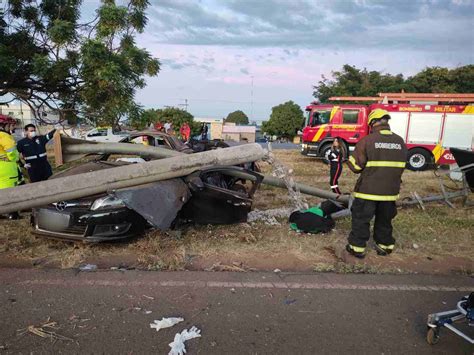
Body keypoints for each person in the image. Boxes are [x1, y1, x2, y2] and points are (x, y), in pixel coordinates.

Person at [345, 109, 407, 259]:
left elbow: (356, 167)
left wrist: (347, 158)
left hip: (368, 191)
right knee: (385, 220)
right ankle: (385, 246)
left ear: (372, 123)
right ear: (386, 121)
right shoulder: (400, 141)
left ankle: (357, 247)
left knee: (361, 219)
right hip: (390, 192)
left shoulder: (367, 141)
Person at [0, 115, 20, 219]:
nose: (11, 127)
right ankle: (12, 214)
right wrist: (15, 158)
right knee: (10, 192)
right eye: (10, 125)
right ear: (4, 125)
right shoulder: (4, 136)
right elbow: (12, 153)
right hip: (6, 169)